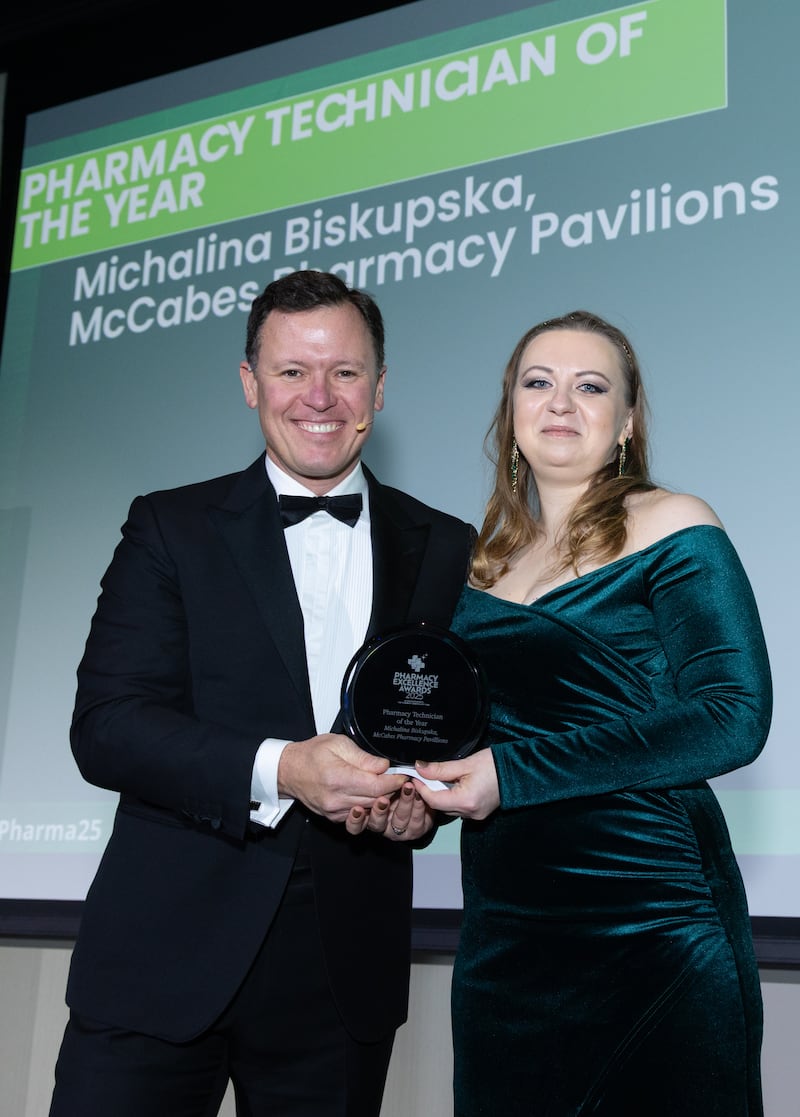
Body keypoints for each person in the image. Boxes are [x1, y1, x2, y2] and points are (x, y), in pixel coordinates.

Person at [49, 270, 474, 1117]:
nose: (319, 396)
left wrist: (418, 808)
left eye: (345, 372)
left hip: (341, 970)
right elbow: (106, 726)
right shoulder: (170, 525)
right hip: (161, 955)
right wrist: (283, 768)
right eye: (291, 371)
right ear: (250, 384)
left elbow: (442, 736)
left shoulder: (447, 545)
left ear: (379, 389)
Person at [410, 310, 772, 1116]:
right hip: (506, 938)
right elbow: (455, 733)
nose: (560, 402)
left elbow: (733, 714)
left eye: (591, 385)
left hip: (653, 920)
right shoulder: (473, 567)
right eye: (537, 383)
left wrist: (514, 771)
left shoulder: (676, 523)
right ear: (510, 413)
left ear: (628, 420)